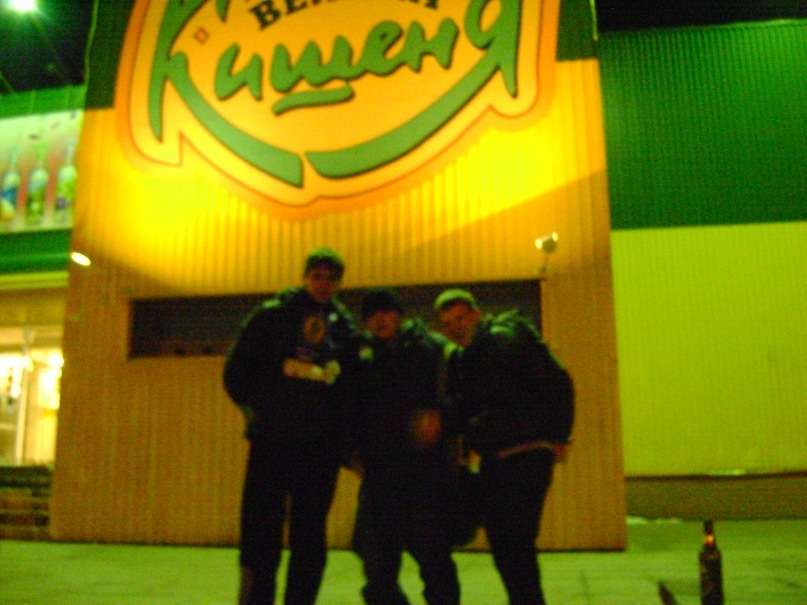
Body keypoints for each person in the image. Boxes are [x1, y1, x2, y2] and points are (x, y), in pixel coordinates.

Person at [223, 247, 360, 605]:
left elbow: (352, 391)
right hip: (272, 444)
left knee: (309, 539)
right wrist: (256, 414)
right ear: (305, 277)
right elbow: (236, 372)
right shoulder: (272, 316)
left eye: (331, 279)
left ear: (339, 284)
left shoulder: (344, 330)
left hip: (319, 452)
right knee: (260, 533)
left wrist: (345, 443)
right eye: (317, 276)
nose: (323, 284)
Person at [433, 288, 574, 605]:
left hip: (524, 455)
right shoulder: (466, 358)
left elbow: (558, 382)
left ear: (475, 314)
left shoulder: (504, 340)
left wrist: (561, 435)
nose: (455, 327)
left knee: (514, 544)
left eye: (460, 318)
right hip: (498, 459)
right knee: (507, 547)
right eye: (447, 323)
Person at [346, 288, 460, 605]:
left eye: (386, 312)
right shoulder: (360, 359)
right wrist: (351, 454)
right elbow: (346, 409)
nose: (379, 319)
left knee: (434, 560)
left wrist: (442, 418)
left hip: (425, 474)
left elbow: (462, 396)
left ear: (399, 314)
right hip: (379, 476)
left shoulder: (431, 348)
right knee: (376, 566)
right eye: (371, 315)